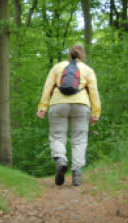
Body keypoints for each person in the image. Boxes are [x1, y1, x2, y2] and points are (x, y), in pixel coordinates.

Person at [36, 44, 101, 186]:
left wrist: (42, 107)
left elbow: (48, 88)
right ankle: (77, 173)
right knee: (79, 139)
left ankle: (61, 160)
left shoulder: (57, 67)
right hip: (81, 105)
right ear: (82, 56)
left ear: (69, 54)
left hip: (58, 104)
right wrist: (96, 112)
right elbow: (94, 92)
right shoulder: (88, 70)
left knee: (58, 136)